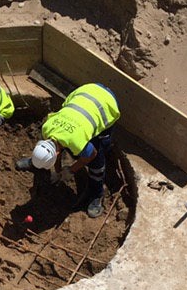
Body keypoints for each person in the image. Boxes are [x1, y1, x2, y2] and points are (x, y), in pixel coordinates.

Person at [16, 83, 120, 218]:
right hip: (86, 92)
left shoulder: (76, 142)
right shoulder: (47, 128)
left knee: (97, 157)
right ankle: (37, 162)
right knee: (69, 145)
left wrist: (71, 170)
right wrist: (58, 171)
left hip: (106, 104)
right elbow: (55, 149)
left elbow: (91, 154)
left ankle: (96, 194)